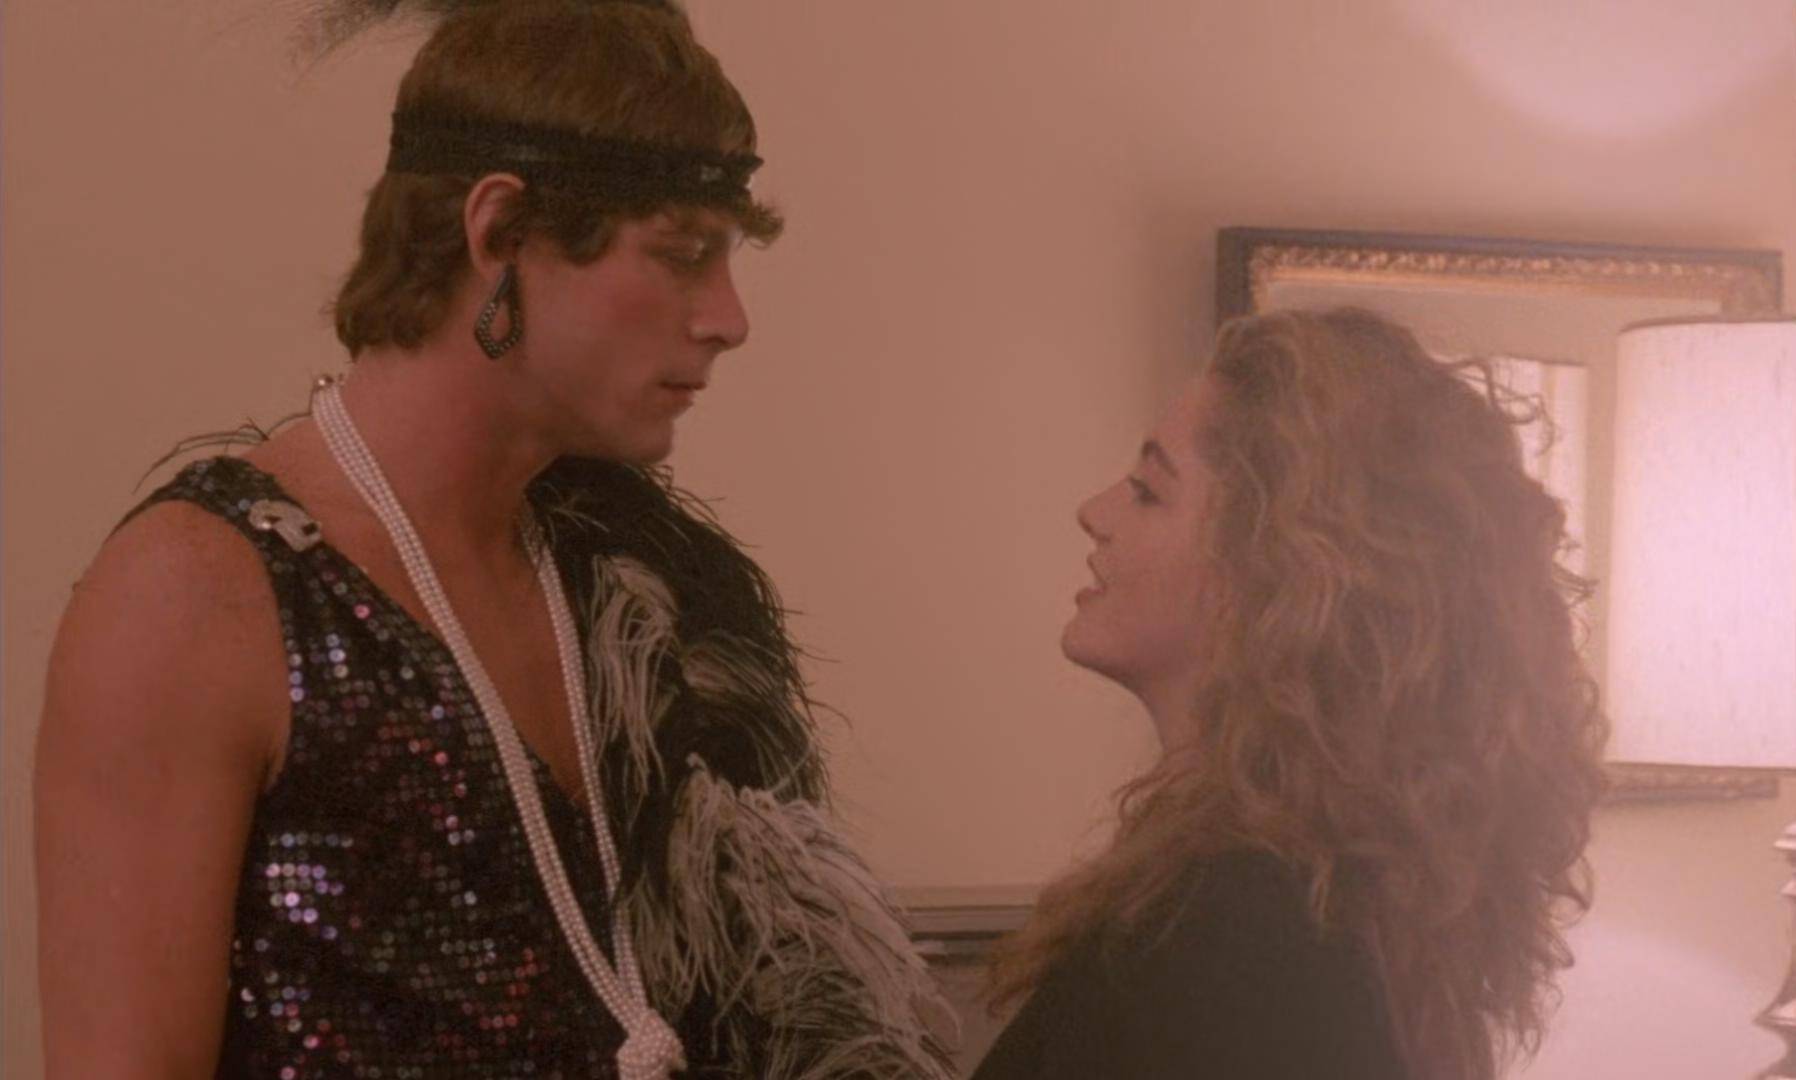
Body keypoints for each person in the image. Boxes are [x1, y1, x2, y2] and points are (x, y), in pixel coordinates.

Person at [34, 1, 952, 1076]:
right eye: (682, 255)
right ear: (500, 231)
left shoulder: (632, 595)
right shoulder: (196, 595)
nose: (727, 317)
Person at [971, 308, 1609, 1080]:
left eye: (1146, 490)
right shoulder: (1283, 901)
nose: (1094, 512)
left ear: (1273, 570)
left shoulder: (1231, 936)